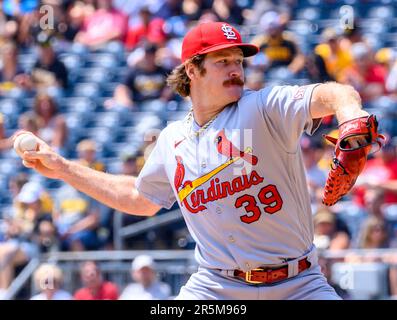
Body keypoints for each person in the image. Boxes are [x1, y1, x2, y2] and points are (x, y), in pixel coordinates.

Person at [16, 21, 373, 300]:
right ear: (192, 70)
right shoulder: (172, 139)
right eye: (222, 61)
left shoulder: (262, 107)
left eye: (238, 60)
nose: (236, 69)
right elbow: (138, 198)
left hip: (299, 284)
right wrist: (63, 167)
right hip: (217, 288)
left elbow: (333, 93)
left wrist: (351, 117)